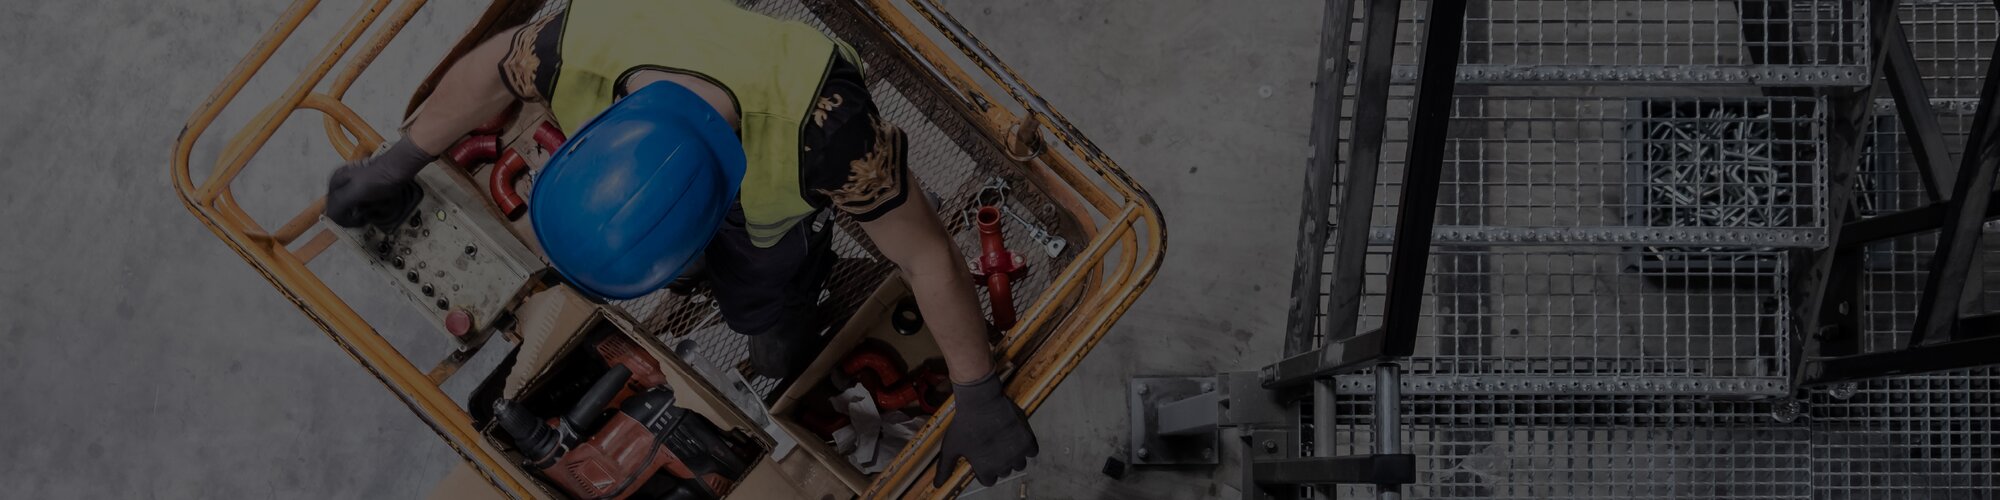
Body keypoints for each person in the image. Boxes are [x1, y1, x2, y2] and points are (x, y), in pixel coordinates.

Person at [320, 0, 1035, 487]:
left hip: (776, 213)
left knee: (767, 302)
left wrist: (978, 392)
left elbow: (924, 255)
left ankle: (778, 331)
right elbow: (491, 71)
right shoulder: (583, 43)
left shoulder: (831, 136)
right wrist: (396, 163)